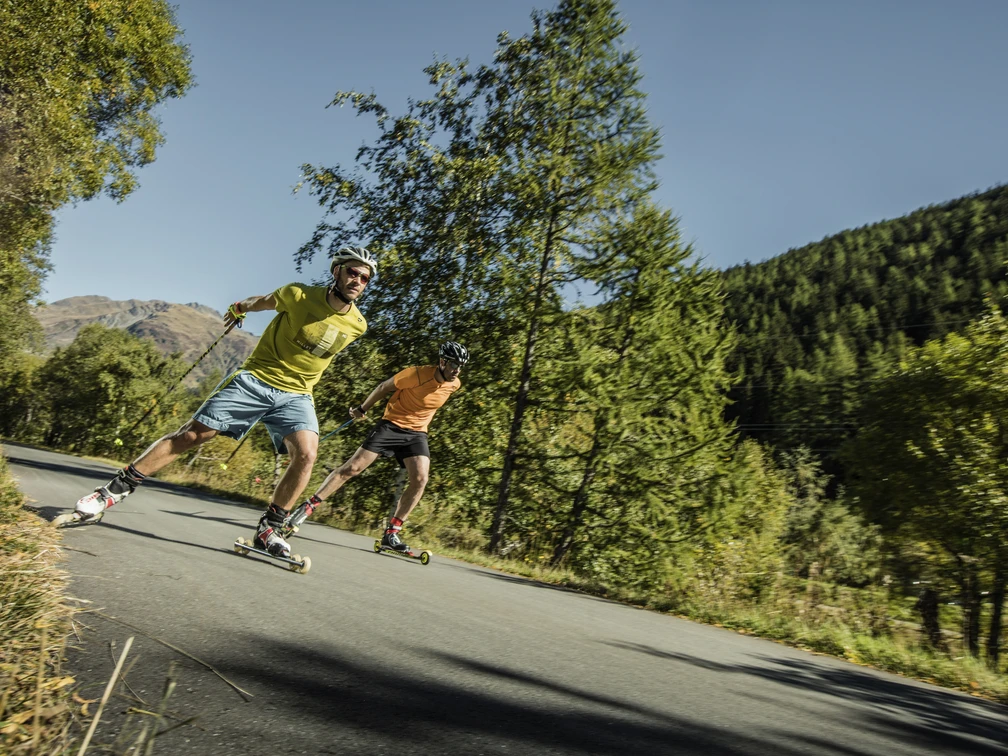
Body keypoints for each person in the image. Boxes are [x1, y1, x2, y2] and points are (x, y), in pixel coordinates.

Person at [67, 246, 378, 559]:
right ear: (336, 271)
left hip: (297, 395)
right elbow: (262, 302)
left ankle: (270, 528)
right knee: (191, 435)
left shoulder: (358, 325)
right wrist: (240, 306)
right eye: (352, 272)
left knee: (307, 454)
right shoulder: (297, 295)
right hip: (256, 379)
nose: (358, 281)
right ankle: (113, 491)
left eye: (365, 278)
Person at [290, 341, 469, 553]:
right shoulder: (416, 374)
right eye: (453, 364)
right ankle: (305, 508)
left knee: (421, 478)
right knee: (352, 468)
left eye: (460, 365)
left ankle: (391, 534)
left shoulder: (454, 384)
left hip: (417, 433)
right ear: (442, 361)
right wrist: (361, 409)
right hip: (391, 426)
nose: (456, 370)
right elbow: (384, 387)